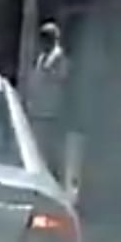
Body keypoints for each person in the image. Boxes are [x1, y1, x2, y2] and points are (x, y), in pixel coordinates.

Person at [26, 20, 70, 181]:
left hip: (53, 114)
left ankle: (56, 182)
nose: (42, 43)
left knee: (53, 155)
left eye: (46, 38)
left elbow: (60, 81)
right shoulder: (41, 58)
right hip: (38, 111)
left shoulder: (60, 59)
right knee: (39, 152)